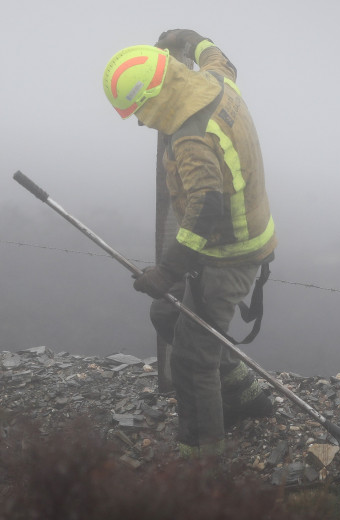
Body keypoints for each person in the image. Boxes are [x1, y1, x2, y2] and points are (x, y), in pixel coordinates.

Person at [102, 30, 277, 457]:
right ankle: (241, 391)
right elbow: (217, 55)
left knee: (192, 360)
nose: (141, 121)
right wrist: (187, 36)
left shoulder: (190, 137)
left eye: (140, 109)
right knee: (167, 313)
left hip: (228, 255)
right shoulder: (216, 82)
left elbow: (206, 209)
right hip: (232, 244)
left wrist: (166, 271)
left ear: (158, 93)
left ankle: (203, 463)